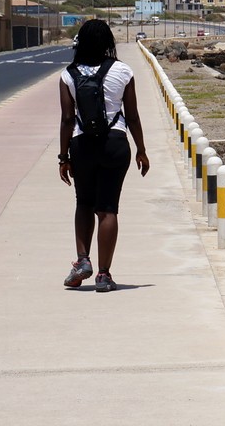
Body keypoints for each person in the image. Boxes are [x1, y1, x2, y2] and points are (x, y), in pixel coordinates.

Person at [58, 19, 149, 292]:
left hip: (81, 145)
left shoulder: (68, 75)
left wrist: (63, 157)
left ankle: (82, 260)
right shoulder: (123, 71)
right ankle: (104, 275)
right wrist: (141, 150)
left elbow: (66, 119)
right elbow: (132, 115)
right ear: (108, 42)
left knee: (84, 202)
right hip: (115, 143)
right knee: (107, 208)